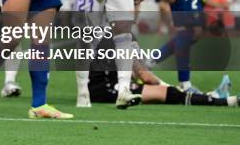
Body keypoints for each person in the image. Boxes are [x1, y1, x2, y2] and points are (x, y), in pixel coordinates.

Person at [88, 39, 237, 108]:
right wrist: (168, 87)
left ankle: (216, 98)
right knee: (171, 94)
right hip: (104, 89)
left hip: (107, 85)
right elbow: (144, 76)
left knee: (170, 92)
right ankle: (224, 101)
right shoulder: (121, 34)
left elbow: (139, 74)